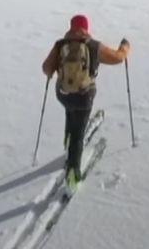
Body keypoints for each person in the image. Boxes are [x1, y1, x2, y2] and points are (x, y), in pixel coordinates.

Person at [41, 14, 130, 189]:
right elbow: (118, 58)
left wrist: (56, 70)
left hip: (63, 94)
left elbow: (45, 68)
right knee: (79, 133)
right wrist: (125, 47)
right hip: (84, 96)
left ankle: (67, 142)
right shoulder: (92, 45)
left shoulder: (60, 45)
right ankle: (73, 175)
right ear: (86, 27)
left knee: (70, 112)